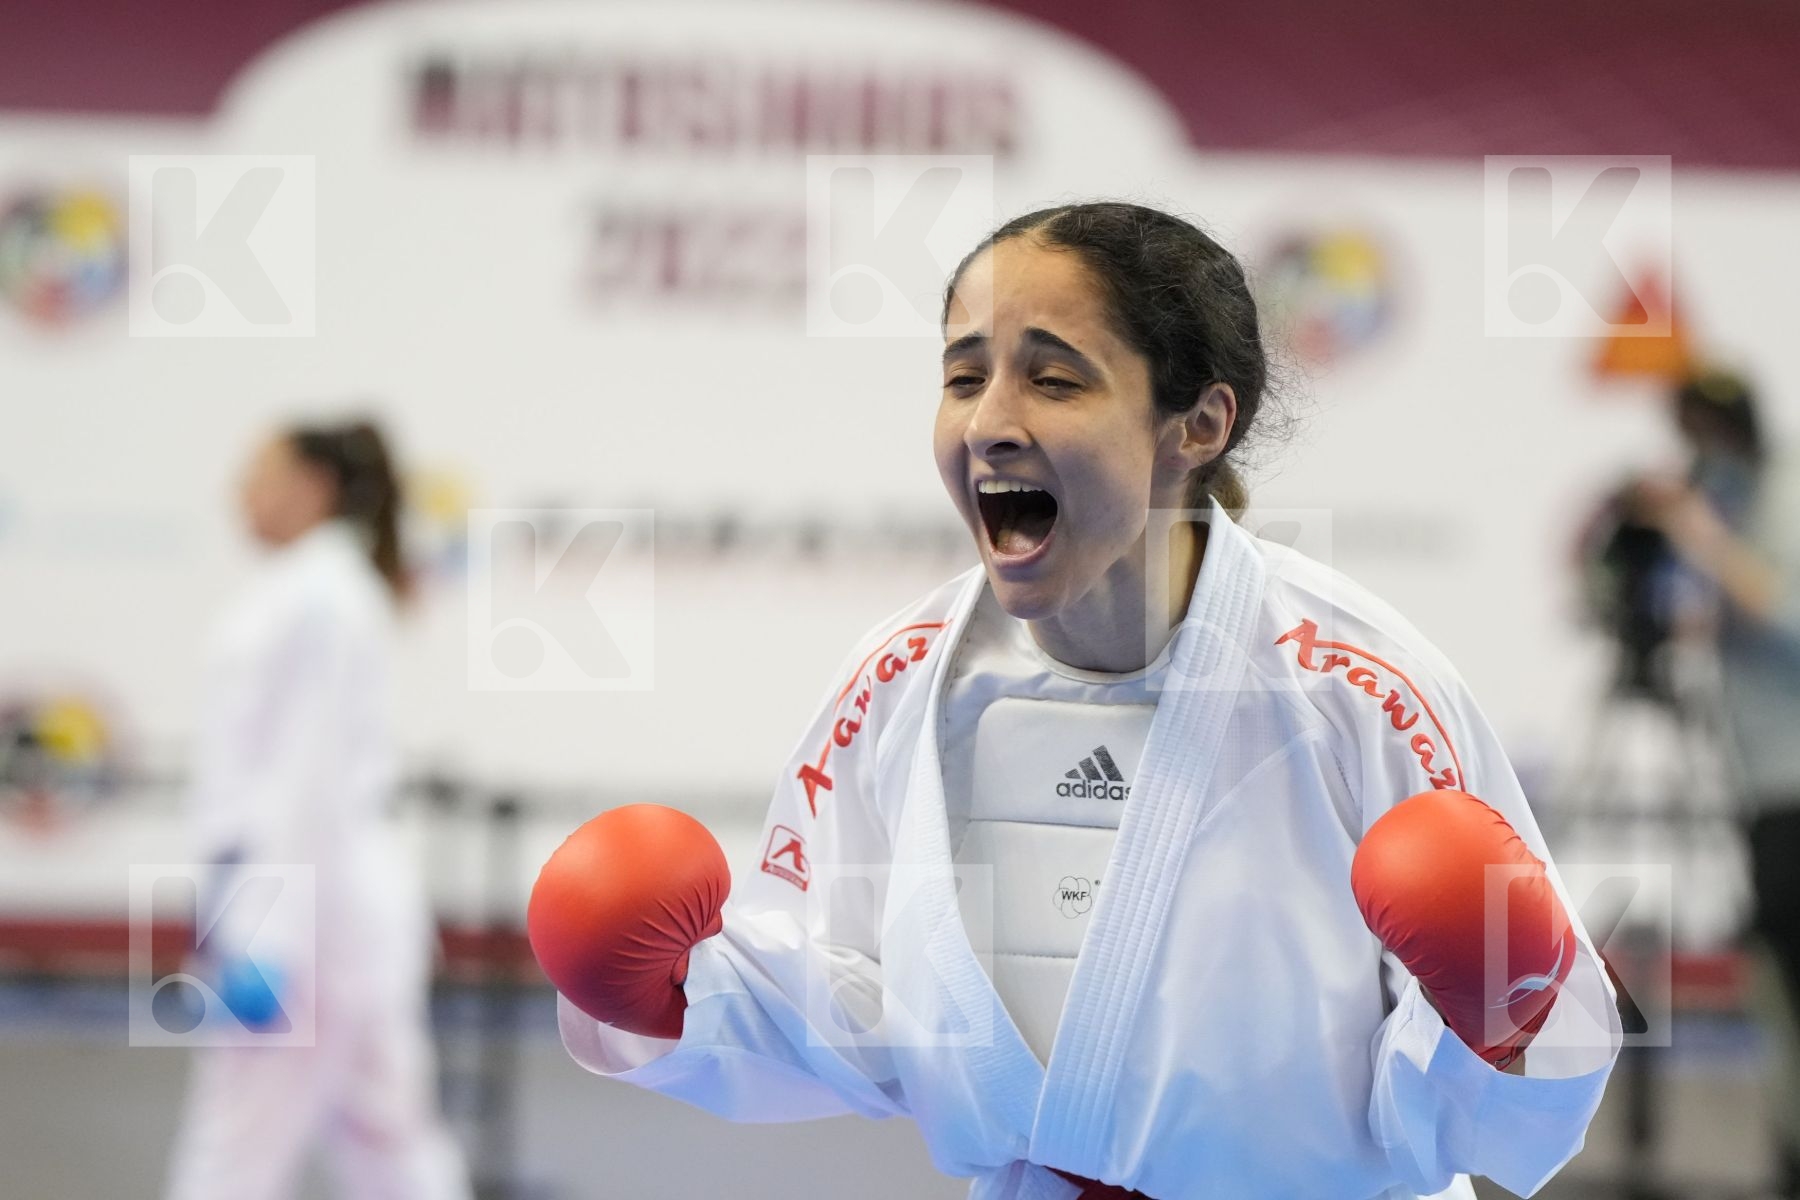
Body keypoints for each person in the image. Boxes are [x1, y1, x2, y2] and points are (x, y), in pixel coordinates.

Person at [530, 203, 1622, 1199]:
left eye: (1054, 380)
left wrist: (1510, 1017)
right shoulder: (902, 682)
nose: (989, 423)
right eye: (964, 378)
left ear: (1197, 426)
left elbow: (1508, 1093)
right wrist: (675, 996)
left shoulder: (1358, 688)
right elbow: (855, 992)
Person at [165, 420, 471, 1200]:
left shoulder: (319, 599)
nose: (240, 492)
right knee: (386, 1137)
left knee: (236, 1144)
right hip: (335, 906)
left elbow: (307, 780)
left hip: (311, 908)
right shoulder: (319, 591)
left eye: (259, 473)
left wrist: (267, 934)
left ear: (313, 487)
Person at [1631, 370, 1800, 1197]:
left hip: (1791, 789)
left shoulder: (1781, 495)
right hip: (1764, 785)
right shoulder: (1735, 499)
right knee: (1776, 971)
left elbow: (1782, 607)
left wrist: (1696, 529)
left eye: (1704, 432)